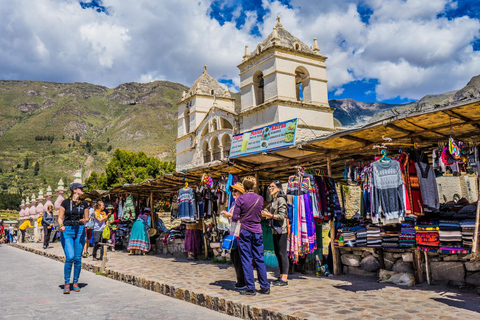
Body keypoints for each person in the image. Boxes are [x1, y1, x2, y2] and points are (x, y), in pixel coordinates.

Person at [232, 176, 270, 296]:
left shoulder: (240, 200)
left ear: (244, 186)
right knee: (259, 259)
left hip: (245, 232)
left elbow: (235, 217)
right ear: (254, 185)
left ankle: (250, 288)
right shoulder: (260, 199)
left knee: (247, 259)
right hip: (258, 231)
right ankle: (265, 286)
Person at [58, 182, 89, 294]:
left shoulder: (84, 203)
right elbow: (60, 218)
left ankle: (75, 282)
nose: (82, 190)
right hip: (67, 231)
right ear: (74, 190)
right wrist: (61, 226)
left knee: (77, 258)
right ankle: (67, 283)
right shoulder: (65, 203)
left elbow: (87, 218)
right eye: (81, 188)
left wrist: (85, 220)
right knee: (70, 257)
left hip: (80, 231)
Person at [262, 180, 289, 287]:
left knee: (282, 253)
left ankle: (284, 278)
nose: (270, 188)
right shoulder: (274, 200)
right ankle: (281, 275)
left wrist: (270, 216)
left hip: (281, 230)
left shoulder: (281, 199)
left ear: (278, 188)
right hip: (275, 229)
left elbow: (282, 216)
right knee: (277, 253)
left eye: (272, 187)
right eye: (269, 187)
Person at [220, 182, 246, 290]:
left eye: (235, 191)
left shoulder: (242, 203)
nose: (233, 193)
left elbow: (241, 217)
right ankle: (240, 280)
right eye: (232, 191)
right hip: (233, 233)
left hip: (239, 234)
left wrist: (229, 215)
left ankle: (242, 281)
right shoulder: (234, 204)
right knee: (235, 258)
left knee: (239, 258)